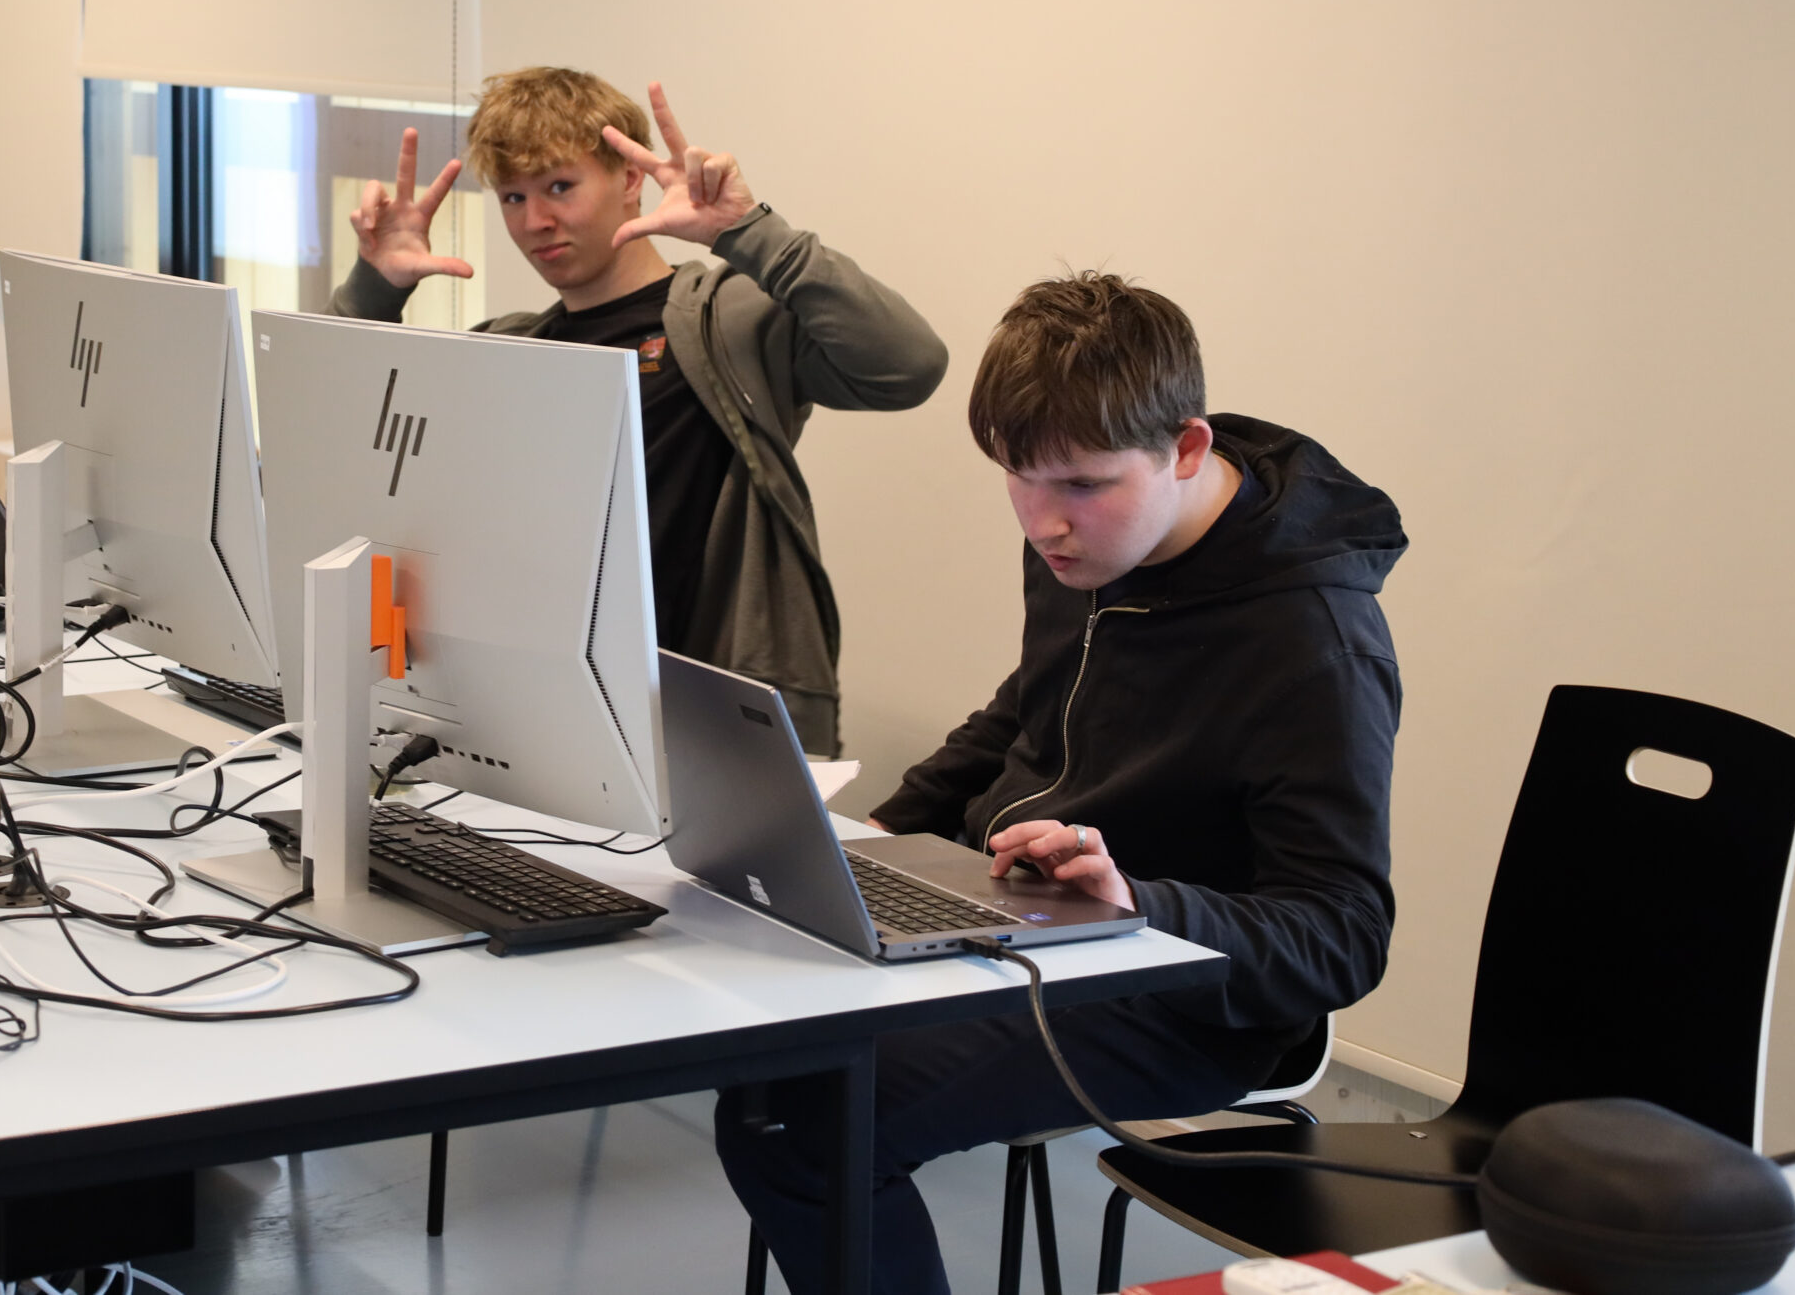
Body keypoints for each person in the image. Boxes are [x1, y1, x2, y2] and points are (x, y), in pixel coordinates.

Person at [716, 273, 1406, 1294]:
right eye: (1019, 478)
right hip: (1016, 917)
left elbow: (1341, 936)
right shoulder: (1089, 538)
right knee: (745, 1013)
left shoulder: (1315, 642)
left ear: (1186, 449)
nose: (1045, 524)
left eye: (1081, 485)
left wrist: (1140, 902)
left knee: (801, 1119)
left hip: (1176, 993)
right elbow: (1029, 710)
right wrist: (876, 828)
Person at [332, 67, 945, 753]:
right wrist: (374, 287)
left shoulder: (728, 319)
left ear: (629, 178)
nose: (535, 222)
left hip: (710, 715)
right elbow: (329, 434)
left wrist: (748, 232)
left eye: (560, 186)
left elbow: (908, 365)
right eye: (513, 197)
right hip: (546, 711)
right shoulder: (511, 349)